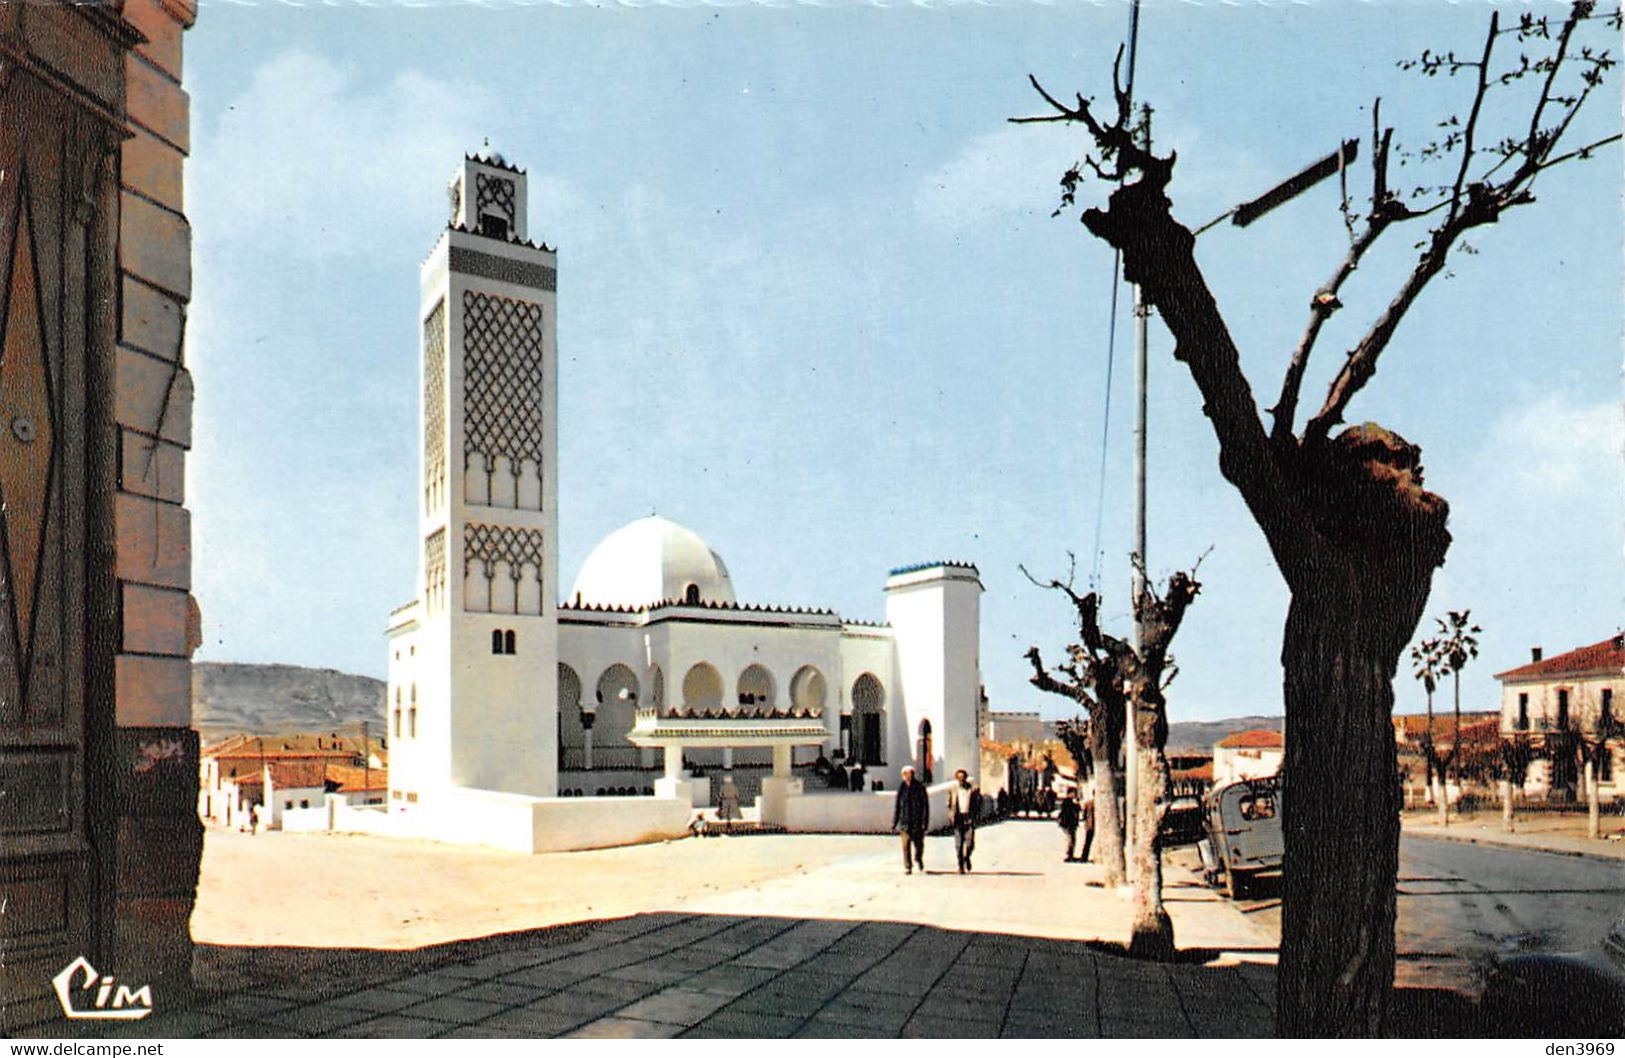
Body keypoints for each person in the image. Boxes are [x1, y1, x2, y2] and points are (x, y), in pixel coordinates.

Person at [892, 765, 930, 875]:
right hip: (905, 822)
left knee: (918, 845)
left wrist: (924, 822)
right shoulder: (902, 788)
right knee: (905, 844)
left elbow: (925, 806)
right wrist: (895, 821)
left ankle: (918, 858)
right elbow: (898, 806)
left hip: (917, 822)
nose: (905, 776)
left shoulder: (920, 788)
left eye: (907, 774)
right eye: (904, 774)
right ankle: (908, 866)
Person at [946, 768, 980, 873]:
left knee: (970, 843)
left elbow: (978, 803)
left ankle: (967, 858)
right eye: (959, 777)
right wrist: (950, 814)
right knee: (958, 844)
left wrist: (976, 815)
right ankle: (960, 865)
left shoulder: (973, 789)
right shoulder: (952, 789)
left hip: (969, 817)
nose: (961, 779)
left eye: (963, 777)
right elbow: (949, 803)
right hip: (958, 818)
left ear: (966, 778)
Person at [1058, 789, 1081, 862]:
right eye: (1074, 793)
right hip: (1068, 823)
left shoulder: (1071, 802)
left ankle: (1071, 854)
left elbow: (1078, 810)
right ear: (1070, 793)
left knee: (1072, 839)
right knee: (1070, 839)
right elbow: (1069, 812)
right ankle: (1069, 855)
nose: (1074, 795)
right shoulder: (1067, 802)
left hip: (1071, 823)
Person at [1080, 791, 1096, 863]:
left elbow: (1083, 815)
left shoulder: (1087, 803)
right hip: (1094, 825)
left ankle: (1084, 857)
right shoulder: (1098, 804)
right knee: (1089, 841)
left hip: (1089, 825)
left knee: (1087, 842)